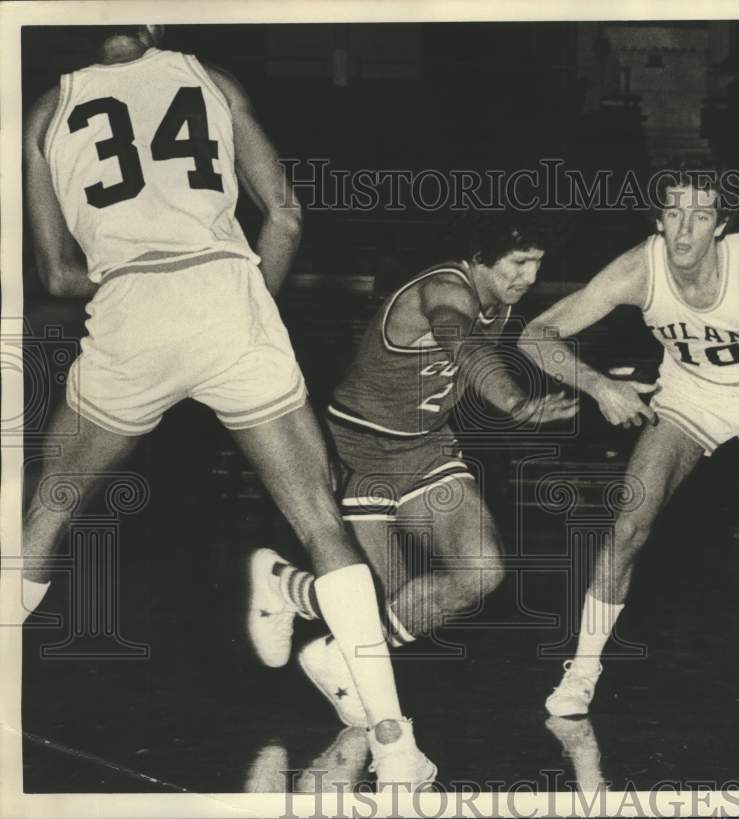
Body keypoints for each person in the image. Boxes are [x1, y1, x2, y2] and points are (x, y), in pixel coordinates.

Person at [21, 25, 432, 786]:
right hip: (228, 295)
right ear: (154, 25)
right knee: (318, 515)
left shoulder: (45, 110)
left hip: (131, 310)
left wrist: (137, 288)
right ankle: (396, 743)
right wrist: (241, 313)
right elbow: (285, 214)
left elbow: (54, 271)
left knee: (47, 507)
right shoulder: (211, 77)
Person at [518, 161, 739, 717]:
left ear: (721, 224)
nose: (684, 231)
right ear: (658, 219)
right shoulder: (638, 269)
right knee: (629, 523)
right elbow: (534, 334)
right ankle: (583, 669)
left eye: (700, 216)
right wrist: (598, 385)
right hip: (691, 394)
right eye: (673, 213)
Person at [250, 212, 577, 727]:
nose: (529, 277)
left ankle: (335, 650)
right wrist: (515, 401)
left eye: (538, 263)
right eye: (519, 262)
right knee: (377, 602)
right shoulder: (444, 289)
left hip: (425, 450)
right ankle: (283, 586)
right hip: (358, 452)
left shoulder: (500, 303)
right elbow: (460, 344)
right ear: (481, 256)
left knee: (482, 572)